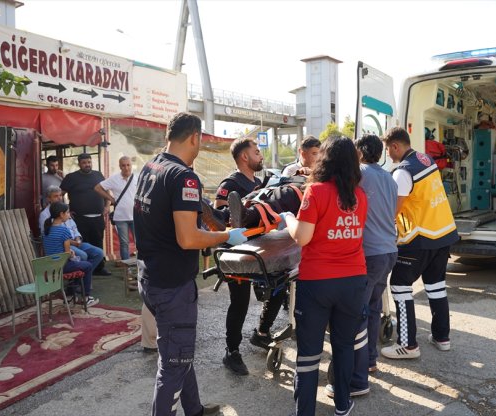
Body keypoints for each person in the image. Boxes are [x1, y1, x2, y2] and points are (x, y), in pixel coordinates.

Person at [134, 112, 247, 416]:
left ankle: (193, 409)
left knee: (179, 350)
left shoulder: (150, 166)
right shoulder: (184, 176)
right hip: (172, 285)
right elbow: (187, 238)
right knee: (174, 363)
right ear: (195, 137)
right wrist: (226, 235)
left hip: (150, 277)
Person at [282, 136, 368, 416]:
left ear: (325, 160)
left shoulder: (316, 192)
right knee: (344, 347)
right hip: (353, 282)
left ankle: (304, 411)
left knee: (309, 354)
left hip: (317, 283)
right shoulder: (360, 196)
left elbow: (302, 238)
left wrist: (288, 219)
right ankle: (343, 405)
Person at [323, 134, 398, 399]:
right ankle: (369, 360)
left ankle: (357, 378)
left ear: (360, 152)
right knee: (374, 308)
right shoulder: (390, 177)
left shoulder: (360, 174)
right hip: (389, 250)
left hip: (370, 254)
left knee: (355, 314)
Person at [379, 127, 459, 360]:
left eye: (388, 150)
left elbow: (394, 210)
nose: (388, 155)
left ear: (395, 146)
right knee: (436, 287)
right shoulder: (425, 160)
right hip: (443, 234)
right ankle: (442, 338)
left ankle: (408, 344)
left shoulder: (403, 172)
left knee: (400, 286)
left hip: (418, 239)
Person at [212, 138, 288, 376]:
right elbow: (218, 220)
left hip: (263, 249)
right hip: (240, 252)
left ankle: (261, 333)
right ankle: (231, 351)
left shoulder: (260, 183)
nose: (260, 156)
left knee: (279, 289)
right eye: (257, 152)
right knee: (240, 302)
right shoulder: (230, 183)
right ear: (245, 157)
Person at [60, 153, 110, 276]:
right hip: (80, 219)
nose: (87, 164)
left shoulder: (98, 175)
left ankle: (99, 268)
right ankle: (85, 270)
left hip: (98, 218)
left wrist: (107, 206)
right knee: (83, 245)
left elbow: (107, 190)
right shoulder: (71, 177)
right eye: (84, 162)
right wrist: (66, 209)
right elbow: (60, 194)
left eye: (89, 162)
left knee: (98, 242)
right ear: (79, 163)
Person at [42, 201, 99, 307]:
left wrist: (70, 250)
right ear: (61, 214)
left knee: (79, 263)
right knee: (87, 265)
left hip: (50, 266)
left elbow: (56, 245)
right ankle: (86, 297)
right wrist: (71, 253)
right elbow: (68, 254)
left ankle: (71, 294)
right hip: (62, 266)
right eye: (67, 213)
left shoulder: (46, 230)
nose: (69, 215)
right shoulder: (64, 231)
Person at [39, 186, 104, 271]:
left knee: (99, 253)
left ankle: (82, 276)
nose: (59, 198)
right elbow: (48, 235)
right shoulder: (45, 214)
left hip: (75, 242)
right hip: (63, 246)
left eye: (60, 195)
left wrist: (78, 239)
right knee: (83, 255)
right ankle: (80, 277)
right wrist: (73, 243)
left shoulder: (65, 209)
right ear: (49, 199)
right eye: (56, 196)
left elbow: (74, 228)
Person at [95, 155, 137, 260]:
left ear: (131, 165)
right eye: (123, 165)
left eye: (128, 165)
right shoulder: (114, 178)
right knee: (124, 243)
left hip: (136, 216)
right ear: (120, 166)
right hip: (120, 217)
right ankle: (126, 268)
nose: (126, 168)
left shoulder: (138, 178)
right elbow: (97, 188)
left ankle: (140, 267)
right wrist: (111, 199)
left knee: (139, 243)